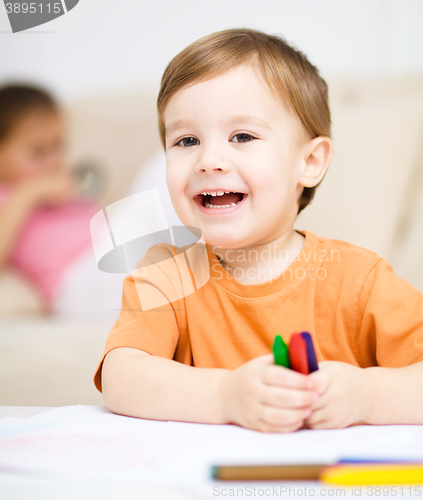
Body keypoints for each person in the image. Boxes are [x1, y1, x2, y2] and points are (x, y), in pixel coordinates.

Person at [94, 28, 423, 432]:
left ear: (310, 162)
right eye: (186, 140)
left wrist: (369, 396)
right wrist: (225, 395)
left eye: (243, 136)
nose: (208, 159)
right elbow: (121, 378)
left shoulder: (357, 280)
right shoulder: (165, 276)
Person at [0, 84, 125, 318]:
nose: (55, 161)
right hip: (78, 283)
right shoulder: (9, 197)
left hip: (109, 252)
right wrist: (27, 194)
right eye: (38, 152)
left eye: (58, 146)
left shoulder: (62, 187)